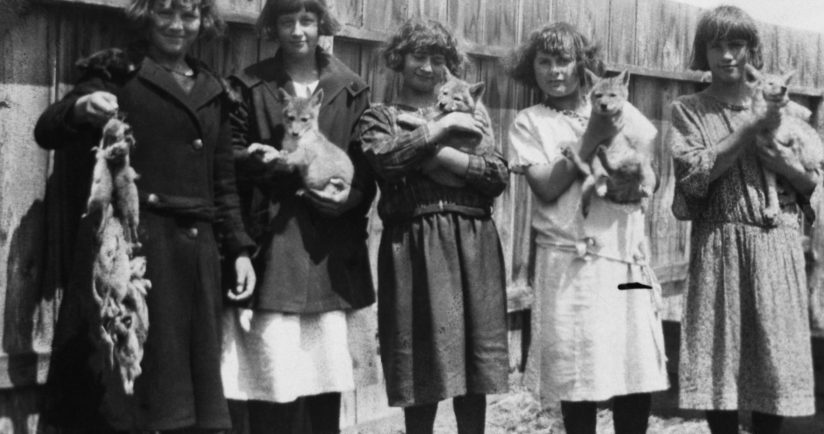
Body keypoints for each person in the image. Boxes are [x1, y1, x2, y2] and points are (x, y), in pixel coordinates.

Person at [34, 0, 255, 431]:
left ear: (203, 21)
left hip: (195, 261)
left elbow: (224, 184)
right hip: (132, 254)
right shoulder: (117, 72)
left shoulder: (214, 89)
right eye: (164, 13)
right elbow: (48, 128)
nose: (177, 25)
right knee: (122, 391)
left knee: (184, 401)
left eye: (188, 15)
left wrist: (241, 250)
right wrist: (82, 108)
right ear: (146, 16)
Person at [218, 0, 376, 432]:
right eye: (286, 20)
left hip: (329, 246)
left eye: (307, 19)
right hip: (273, 242)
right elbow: (225, 157)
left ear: (321, 24)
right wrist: (264, 164)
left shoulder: (349, 87)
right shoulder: (249, 85)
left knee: (325, 377)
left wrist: (350, 197)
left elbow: (366, 164)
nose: (298, 30)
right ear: (272, 26)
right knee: (275, 377)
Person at [506, 22, 668, 434]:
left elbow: (649, 164)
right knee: (577, 373)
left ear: (583, 66)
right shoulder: (530, 122)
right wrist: (592, 136)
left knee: (632, 367)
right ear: (533, 66)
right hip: (570, 262)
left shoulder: (618, 105)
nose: (555, 71)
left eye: (564, 60)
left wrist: (642, 178)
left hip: (623, 255)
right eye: (545, 61)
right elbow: (545, 187)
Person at [669, 5, 822, 434]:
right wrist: (750, 126)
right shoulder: (689, 111)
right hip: (719, 244)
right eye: (715, 45)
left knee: (772, 363)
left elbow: (816, 185)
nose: (727, 55)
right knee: (720, 362)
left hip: (775, 243)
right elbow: (694, 175)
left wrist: (791, 168)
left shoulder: (792, 113)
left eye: (736, 44)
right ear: (703, 52)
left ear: (752, 49)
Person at [356, 19, 510, 434]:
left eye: (437, 59)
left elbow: (496, 176)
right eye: (418, 56)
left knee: (473, 366)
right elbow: (387, 161)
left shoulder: (475, 112)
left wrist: (437, 155)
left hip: (472, 240)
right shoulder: (380, 116)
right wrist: (441, 130)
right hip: (414, 243)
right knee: (417, 364)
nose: (427, 67)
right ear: (399, 59)